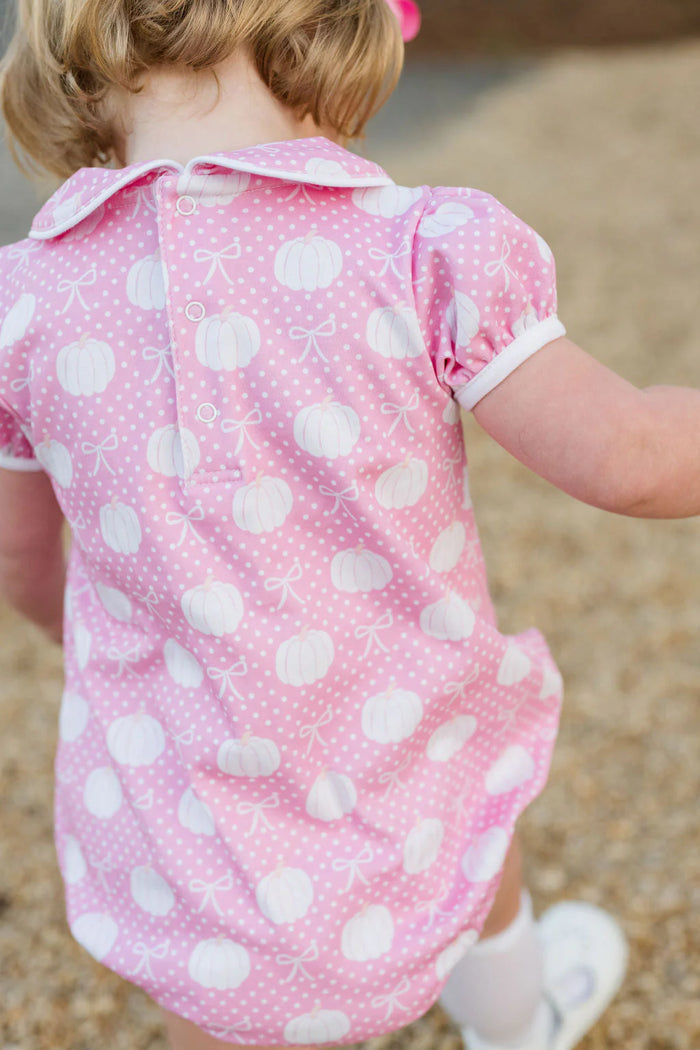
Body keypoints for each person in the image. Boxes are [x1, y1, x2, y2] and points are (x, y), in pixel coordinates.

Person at [1, 1, 696, 1048]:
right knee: (472, 825)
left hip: (185, 817)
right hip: (414, 748)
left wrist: (133, 655)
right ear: (336, 25)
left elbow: (20, 558)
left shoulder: (24, 302)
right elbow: (630, 459)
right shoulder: (422, 248)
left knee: (217, 992)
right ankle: (517, 1024)